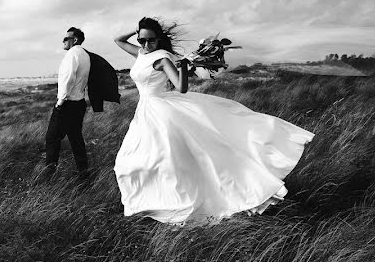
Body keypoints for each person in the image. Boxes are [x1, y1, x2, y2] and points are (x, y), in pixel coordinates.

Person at [112, 17, 314, 225]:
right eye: (142, 40)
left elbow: (181, 87)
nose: (146, 44)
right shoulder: (140, 53)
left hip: (161, 111)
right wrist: (136, 28)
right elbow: (118, 40)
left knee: (165, 160)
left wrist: (182, 66)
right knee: (132, 161)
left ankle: (179, 207)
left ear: (158, 39)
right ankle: (156, 204)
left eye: (151, 40)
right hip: (145, 112)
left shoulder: (162, 58)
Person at [45, 27, 91, 175]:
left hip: (67, 104)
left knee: (52, 138)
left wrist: (60, 102)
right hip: (79, 103)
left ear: (75, 40)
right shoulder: (85, 55)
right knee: (76, 139)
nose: (63, 41)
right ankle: (84, 173)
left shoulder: (72, 54)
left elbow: (68, 78)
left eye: (66, 39)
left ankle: (49, 174)